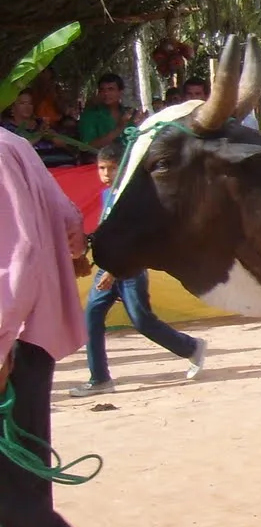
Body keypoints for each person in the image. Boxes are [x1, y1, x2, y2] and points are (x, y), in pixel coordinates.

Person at [0, 126, 112, 527]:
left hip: (12, 335)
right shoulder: (12, 143)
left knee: (13, 470)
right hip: (23, 333)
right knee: (17, 471)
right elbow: (67, 215)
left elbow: (16, 258)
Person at [68, 146, 208, 397]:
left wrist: (112, 270)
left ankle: (192, 347)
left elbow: (134, 238)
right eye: (102, 168)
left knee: (142, 320)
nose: (107, 173)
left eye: (112, 167)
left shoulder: (132, 196)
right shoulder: (106, 196)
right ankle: (99, 378)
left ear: (124, 167)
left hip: (129, 268)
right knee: (91, 318)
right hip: (109, 267)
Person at [2, 89, 76, 168]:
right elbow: (18, 148)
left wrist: (53, 136)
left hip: (56, 158)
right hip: (31, 164)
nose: (27, 107)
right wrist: (40, 134)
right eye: (22, 103)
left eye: (30, 103)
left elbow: (62, 144)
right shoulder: (6, 127)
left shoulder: (40, 122)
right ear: (12, 107)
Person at [76, 73, 137, 151]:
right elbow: (87, 147)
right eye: (102, 90)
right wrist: (119, 128)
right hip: (102, 161)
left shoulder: (130, 113)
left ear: (120, 92)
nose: (106, 94)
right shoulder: (90, 115)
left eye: (111, 89)